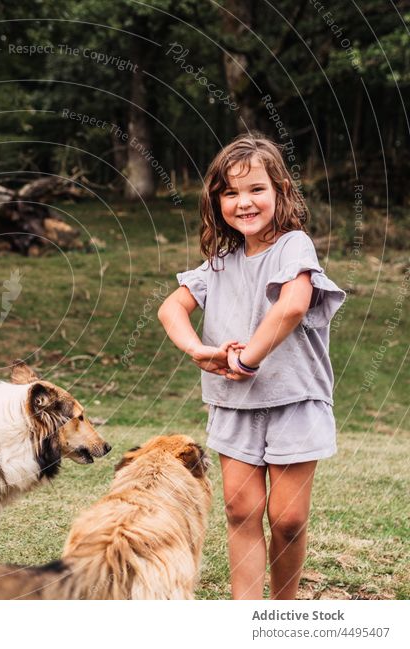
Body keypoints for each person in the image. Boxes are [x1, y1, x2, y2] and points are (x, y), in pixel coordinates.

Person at [157, 134, 345, 599]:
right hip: (235, 403)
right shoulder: (219, 263)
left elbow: (293, 305)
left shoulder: (293, 246)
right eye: (230, 192)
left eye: (256, 189)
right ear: (216, 200)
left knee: (288, 519)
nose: (244, 202)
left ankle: (281, 613)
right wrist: (200, 351)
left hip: (295, 400)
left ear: (280, 191)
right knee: (241, 511)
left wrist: (246, 358)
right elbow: (170, 310)